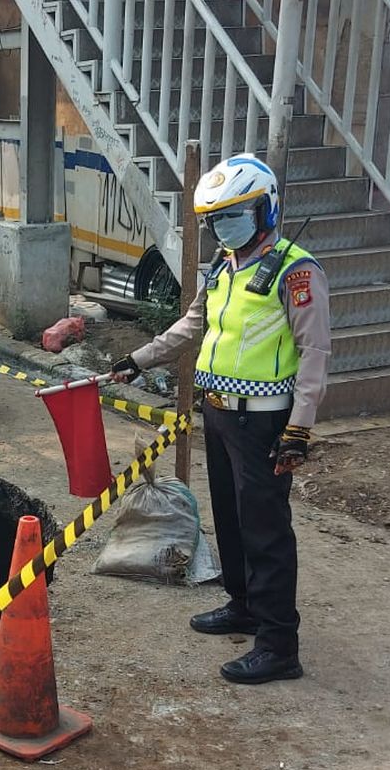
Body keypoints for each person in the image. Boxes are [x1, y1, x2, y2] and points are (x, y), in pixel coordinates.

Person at [111, 154, 331, 685]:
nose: (223, 226)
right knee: (231, 520)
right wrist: (137, 360)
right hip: (219, 415)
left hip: (266, 424)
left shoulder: (296, 271)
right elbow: (191, 327)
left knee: (267, 530)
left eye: (235, 214)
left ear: (265, 209)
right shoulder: (224, 269)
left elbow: (315, 353)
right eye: (215, 219)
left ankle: (279, 644)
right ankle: (244, 604)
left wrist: (299, 429)